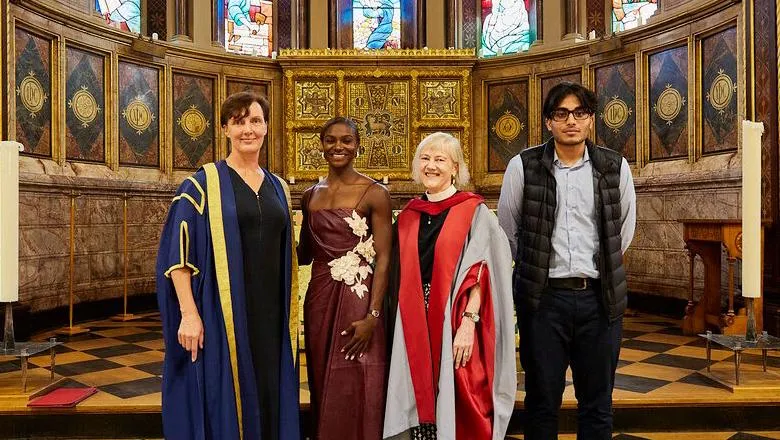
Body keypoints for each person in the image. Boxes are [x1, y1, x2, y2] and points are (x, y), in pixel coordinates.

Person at [156, 91, 300, 440]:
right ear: (224, 129)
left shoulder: (278, 185)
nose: (247, 129)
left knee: (269, 392)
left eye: (255, 121)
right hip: (223, 312)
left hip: (272, 315)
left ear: (267, 127)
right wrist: (189, 314)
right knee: (226, 397)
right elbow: (178, 256)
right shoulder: (203, 183)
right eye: (238, 122)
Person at [498, 82, 636, 440]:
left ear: (590, 120)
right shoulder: (523, 166)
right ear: (548, 122)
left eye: (579, 113)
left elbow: (622, 234)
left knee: (597, 404)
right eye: (561, 113)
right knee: (542, 402)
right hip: (544, 302)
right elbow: (508, 232)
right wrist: (534, 277)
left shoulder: (614, 167)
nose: (570, 121)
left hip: (599, 301)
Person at [384, 132, 516, 440]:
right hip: (414, 316)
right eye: (425, 159)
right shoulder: (408, 217)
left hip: (456, 319)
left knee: (456, 391)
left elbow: (483, 271)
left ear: (455, 167)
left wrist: (468, 323)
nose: (431, 166)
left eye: (440, 159)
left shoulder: (474, 213)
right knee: (415, 387)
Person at [297, 117, 392, 439]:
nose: (338, 146)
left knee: (358, 374)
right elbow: (304, 253)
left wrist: (373, 315)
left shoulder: (374, 192)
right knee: (323, 375)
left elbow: (385, 258)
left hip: (359, 296)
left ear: (357, 146)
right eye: (331, 140)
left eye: (346, 141)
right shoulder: (310, 195)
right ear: (321, 145)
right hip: (319, 297)